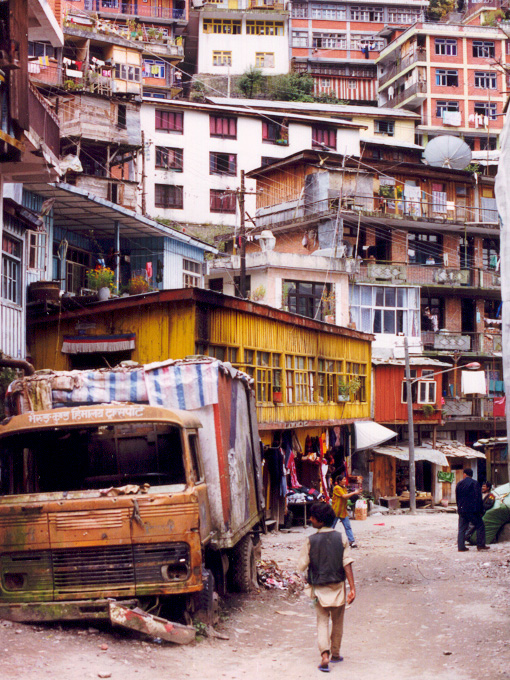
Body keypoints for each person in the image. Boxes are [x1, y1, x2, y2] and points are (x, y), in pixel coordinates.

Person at [297, 502, 356, 673]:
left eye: (312, 517)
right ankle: (336, 654)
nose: (309, 519)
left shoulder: (310, 540)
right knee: (338, 622)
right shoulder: (342, 538)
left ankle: (324, 655)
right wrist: (352, 587)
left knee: (322, 622)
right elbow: (347, 563)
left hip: (318, 588)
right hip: (338, 586)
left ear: (319, 521)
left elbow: (301, 566)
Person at [455, 468, 490, 552]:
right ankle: (480, 545)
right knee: (480, 525)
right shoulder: (475, 483)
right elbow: (478, 499)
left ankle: (461, 547)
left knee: (462, 528)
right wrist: (481, 510)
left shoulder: (459, 484)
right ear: (471, 475)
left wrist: (459, 508)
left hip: (462, 509)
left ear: (464, 474)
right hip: (472, 510)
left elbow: (457, 498)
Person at [331, 476, 360, 548]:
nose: (345, 480)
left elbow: (347, 497)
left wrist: (354, 496)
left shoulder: (344, 488)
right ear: (340, 481)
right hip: (336, 511)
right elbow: (344, 496)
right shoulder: (337, 488)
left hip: (343, 510)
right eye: (344, 479)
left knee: (348, 527)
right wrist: (354, 493)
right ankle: (326, 541)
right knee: (331, 527)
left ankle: (351, 541)